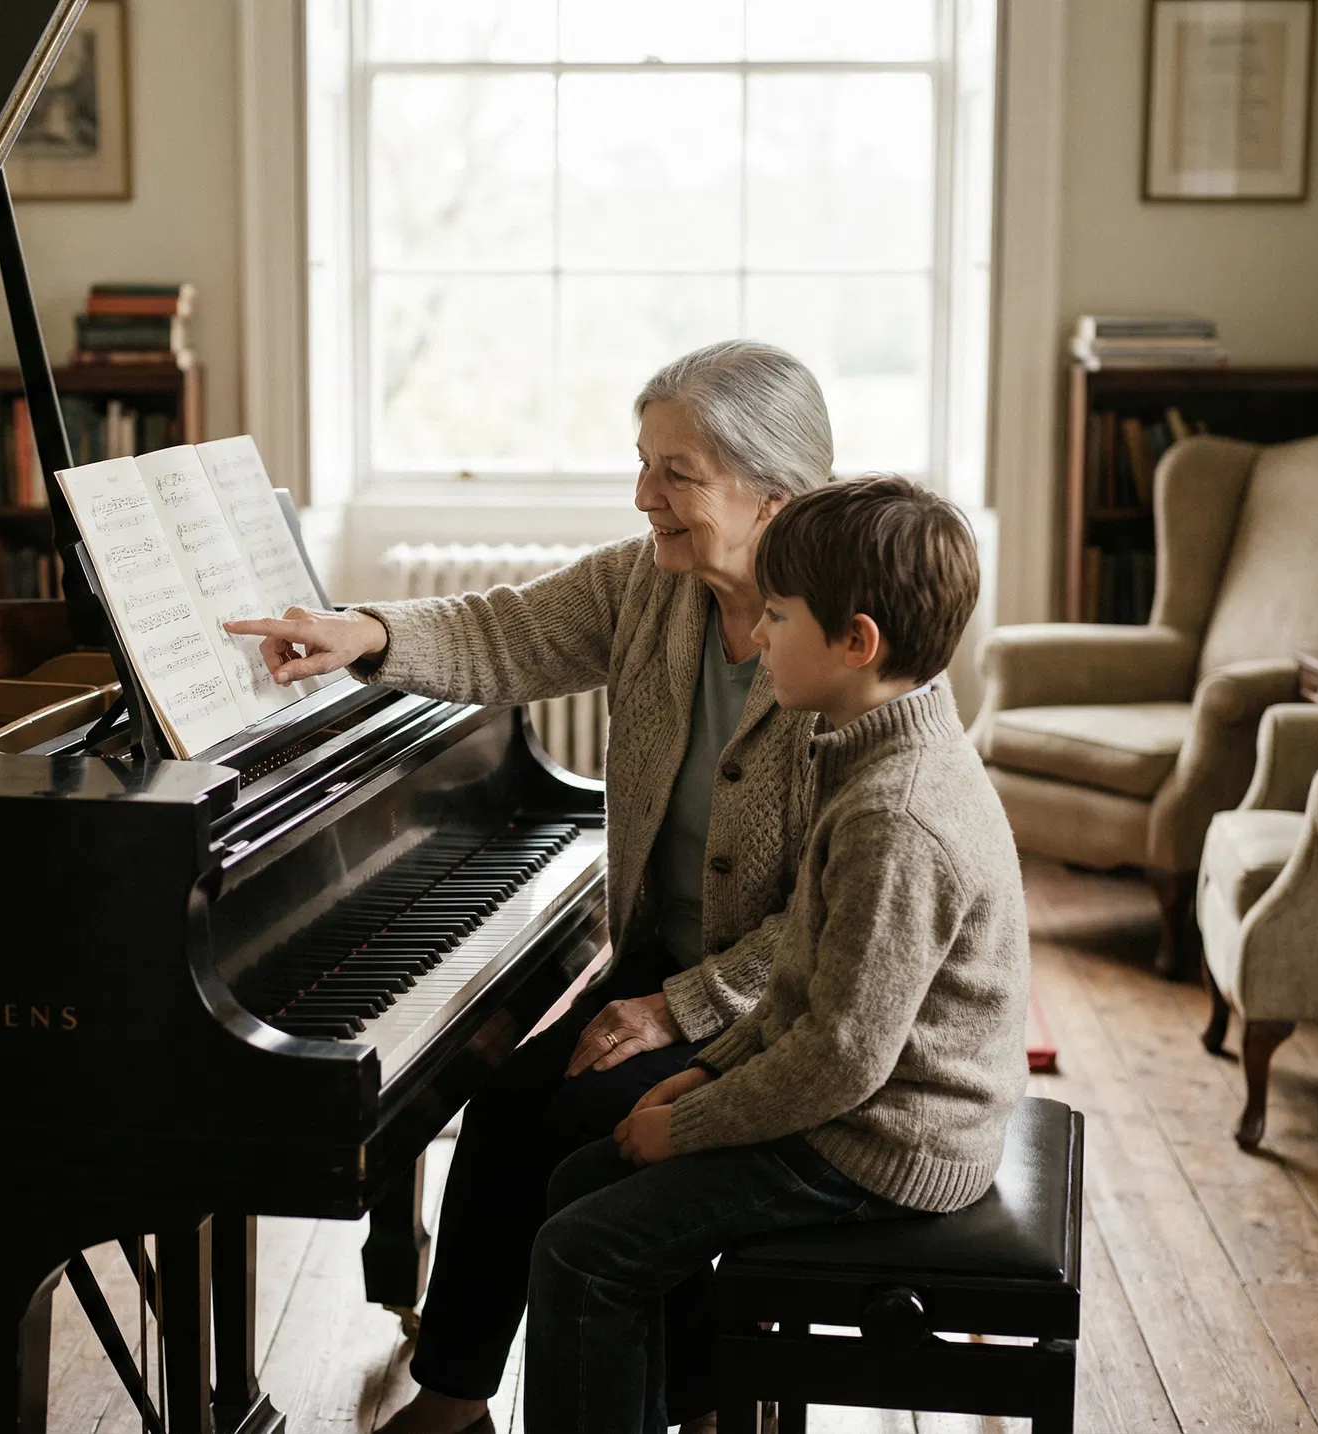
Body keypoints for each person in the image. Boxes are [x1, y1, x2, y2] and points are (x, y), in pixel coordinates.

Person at [227, 340, 834, 1433]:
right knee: (508, 1106)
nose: (642, 495)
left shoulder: (847, 646)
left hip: (787, 1001)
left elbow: (836, 927)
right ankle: (457, 1394)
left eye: (675, 475)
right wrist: (364, 632)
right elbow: (507, 631)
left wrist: (675, 1009)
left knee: (601, 1129)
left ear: (773, 495)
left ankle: (697, 1406)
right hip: (673, 958)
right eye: (642, 464)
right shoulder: (653, 591)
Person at [522, 476, 1031, 1434]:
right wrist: (705, 1070)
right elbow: (805, 987)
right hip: (857, 1107)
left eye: (781, 617)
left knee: (580, 1251)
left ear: (858, 643)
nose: (755, 639)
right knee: (582, 1181)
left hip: (887, 1142)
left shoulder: (898, 815)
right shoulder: (866, 750)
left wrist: (694, 1123)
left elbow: (841, 1058)